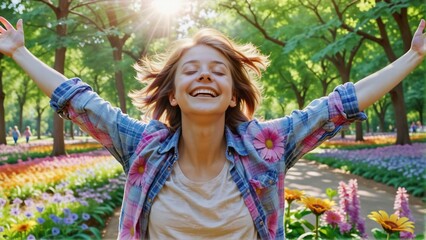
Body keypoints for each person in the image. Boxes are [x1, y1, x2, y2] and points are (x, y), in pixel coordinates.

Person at [0, 16, 424, 239]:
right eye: (192, 71)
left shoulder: (266, 148)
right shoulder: (144, 146)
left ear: (234, 93)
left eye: (218, 71)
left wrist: (413, 56)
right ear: (172, 93)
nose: (205, 76)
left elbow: (336, 106)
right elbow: (80, 102)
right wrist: (19, 52)